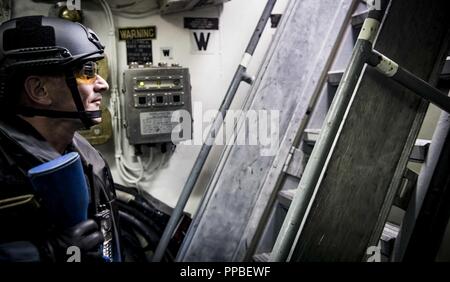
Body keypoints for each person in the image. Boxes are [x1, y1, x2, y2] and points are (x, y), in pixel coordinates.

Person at [0, 15, 121, 262]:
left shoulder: (85, 153)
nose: (103, 85)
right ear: (39, 91)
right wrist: (45, 252)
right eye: (87, 72)